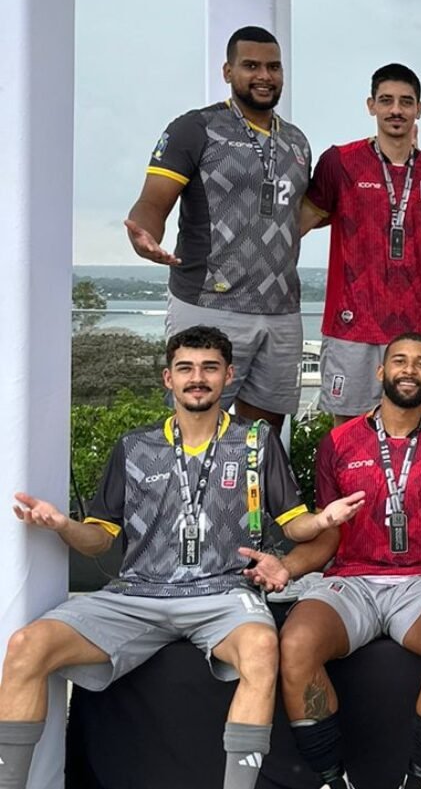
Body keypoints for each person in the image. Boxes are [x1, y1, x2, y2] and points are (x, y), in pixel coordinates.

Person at [0, 326, 362, 789]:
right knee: (27, 647)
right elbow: (98, 539)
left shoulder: (257, 441)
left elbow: (293, 525)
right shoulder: (134, 446)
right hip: (137, 594)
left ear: (228, 376)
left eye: (210, 368)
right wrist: (62, 525)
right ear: (167, 378)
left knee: (260, 648)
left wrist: (323, 519)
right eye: (186, 368)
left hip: (224, 593)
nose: (198, 378)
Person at [279, 333, 421, 789]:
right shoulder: (338, 442)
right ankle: (333, 780)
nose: (410, 370)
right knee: (295, 644)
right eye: (400, 361)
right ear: (380, 371)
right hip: (352, 579)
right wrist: (286, 568)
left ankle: (418, 779)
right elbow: (326, 540)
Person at [124, 26, 313, 429]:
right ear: (228, 72)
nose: (264, 76)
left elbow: (294, 217)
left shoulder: (297, 142)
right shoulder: (195, 128)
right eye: (251, 66)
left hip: (280, 310)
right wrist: (144, 236)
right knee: (195, 427)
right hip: (208, 303)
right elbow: (151, 203)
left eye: (273, 67)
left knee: (261, 438)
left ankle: (251, 496)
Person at [301, 64, 421, 424]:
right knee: (347, 427)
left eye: (405, 102)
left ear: (419, 109)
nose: (396, 110)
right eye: (386, 101)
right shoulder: (341, 162)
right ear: (371, 105)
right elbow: (300, 221)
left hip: (414, 324)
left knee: (414, 426)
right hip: (351, 322)